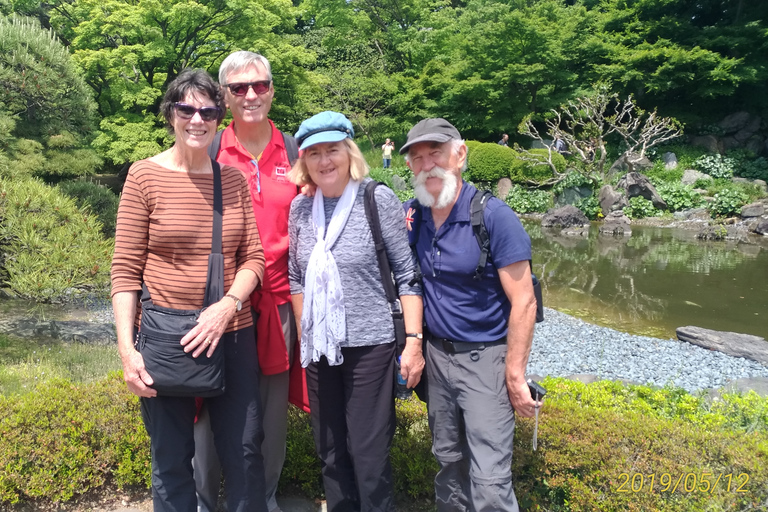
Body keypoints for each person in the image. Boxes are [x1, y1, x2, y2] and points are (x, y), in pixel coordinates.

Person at [111, 68, 268, 512]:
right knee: (171, 461)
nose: (197, 120)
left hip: (232, 333)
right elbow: (125, 272)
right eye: (187, 109)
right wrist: (128, 351)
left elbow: (254, 258)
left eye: (208, 111)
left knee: (244, 452)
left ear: (220, 117)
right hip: (165, 335)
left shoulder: (232, 180)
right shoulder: (144, 177)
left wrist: (227, 306)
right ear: (171, 114)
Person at [400, 118, 539, 511]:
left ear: (459, 156)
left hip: (485, 359)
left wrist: (514, 372)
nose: (428, 165)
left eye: (436, 154)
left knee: (489, 477)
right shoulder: (414, 215)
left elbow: (524, 301)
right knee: (447, 462)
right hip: (436, 358)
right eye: (418, 158)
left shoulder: (494, 216)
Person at [288, 111, 423, 512]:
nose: (324, 161)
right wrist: (305, 333)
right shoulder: (300, 210)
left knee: (368, 452)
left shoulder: (375, 198)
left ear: (350, 153)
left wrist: (413, 344)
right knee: (328, 449)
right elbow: (295, 278)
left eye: (333, 150)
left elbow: (407, 276)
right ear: (304, 161)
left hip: (371, 345)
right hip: (319, 349)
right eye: (314, 153)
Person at [193, 50, 301, 512]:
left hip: (278, 298)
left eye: (259, 85)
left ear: (273, 89)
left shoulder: (296, 151)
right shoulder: (209, 148)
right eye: (238, 88)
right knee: (206, 405)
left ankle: (265, 496)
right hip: (218, 301)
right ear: (224, 96)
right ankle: (204, 498)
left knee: (270, 412)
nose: (250, 95)